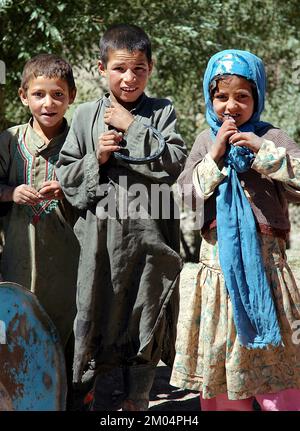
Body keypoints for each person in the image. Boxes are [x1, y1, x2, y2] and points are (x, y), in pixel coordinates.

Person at [55, 24, 187, 411]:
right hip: (99, 238)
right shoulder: (83, 116)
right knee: (95, 309)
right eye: (120, 69)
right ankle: (88, 397)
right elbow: (66, 176)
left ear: (150, 69)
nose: (129, 78)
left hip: (150, 236)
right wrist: (96, 158)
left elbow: (175, 163)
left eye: (139, 69)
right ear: (101, 68)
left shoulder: (161, 111)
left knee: (145, 310)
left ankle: (138, 398)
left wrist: (133, 127)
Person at [170, 49, 300, 411]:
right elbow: (186, 196)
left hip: (267, 270)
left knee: (279, 367)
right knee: (225, 370)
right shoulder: (203, 142)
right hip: (218, 274)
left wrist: (264, 152)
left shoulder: (272, 136)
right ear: (209, 99)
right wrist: (213, 155)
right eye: (221, 96)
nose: (231, 105)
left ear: (257, 97)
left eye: (242, 96)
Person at [0, 54, 80, 351]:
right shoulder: (9, 141)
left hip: (67, 264)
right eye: (39, 94)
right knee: (15, 335)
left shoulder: (78, 143)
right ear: (23, 96)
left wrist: (68, 189)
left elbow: (97, 190)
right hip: (16, 259)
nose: (49, 103)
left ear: (71, 96)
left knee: (64, 335)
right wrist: (11, 193)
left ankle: (70, 397)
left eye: (58, 95)